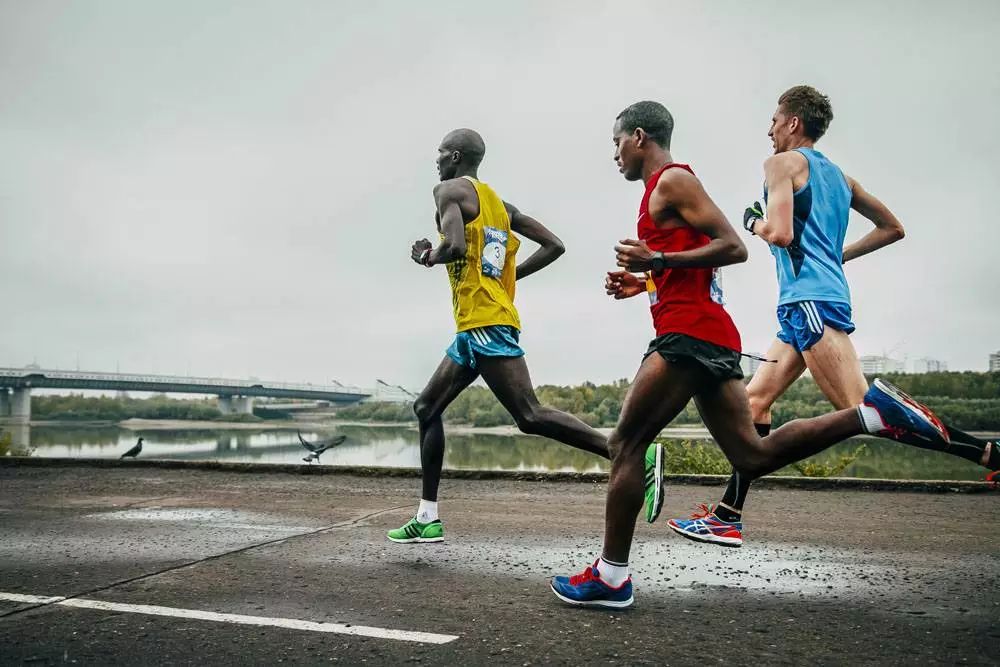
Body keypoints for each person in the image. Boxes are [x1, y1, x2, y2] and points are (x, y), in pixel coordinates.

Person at [550, 101, 953, 608]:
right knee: (751, 455)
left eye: (615, 144)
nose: (614, 155)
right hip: (712, 336)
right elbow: (696, 264)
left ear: (638, 137)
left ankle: (611, 577)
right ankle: (866, 414)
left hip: (688, 337)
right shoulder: (664, 190)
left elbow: (733, 246)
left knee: (626, 445)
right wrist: (645, 280)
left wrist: (658, 257)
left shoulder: (673, 180)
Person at [667, 86, 1000, 547]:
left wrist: (751, 221)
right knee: (753, 403)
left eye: (773, 119)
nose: (768, 129)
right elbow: (892, 228)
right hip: (809, 304)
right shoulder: (840, 178)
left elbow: (780, 234)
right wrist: (836, 257)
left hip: (810, 303)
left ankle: (988, 452)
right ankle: (727, 515)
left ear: (793, 123)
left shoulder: (780, 164)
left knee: (865, 411)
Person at [388, 128, 664, 545]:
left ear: (456, 157)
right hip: (475, 325)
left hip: (486, 322)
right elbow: (554, 245)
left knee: (530, 415)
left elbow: (456, 247)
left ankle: (628, 452)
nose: (437, 160)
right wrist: (505, 276)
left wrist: (427, 255)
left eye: (441, 153)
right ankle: (427, 518)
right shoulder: (499, 205)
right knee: (426, 407)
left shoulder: (447, 190)